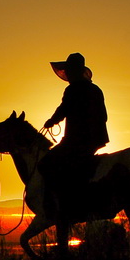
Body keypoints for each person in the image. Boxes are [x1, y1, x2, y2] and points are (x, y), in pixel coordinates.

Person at [40, 52, 109, 219]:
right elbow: (104, 116)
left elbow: (64, 109)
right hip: (96, 139)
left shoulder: (72, 90)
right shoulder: (95, 89)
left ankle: (63, 205)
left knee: (47, 163)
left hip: (77, 140)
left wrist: (50, 121)